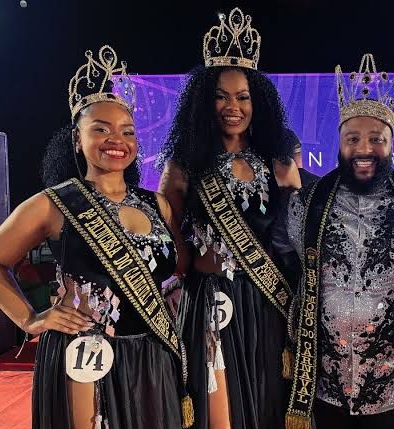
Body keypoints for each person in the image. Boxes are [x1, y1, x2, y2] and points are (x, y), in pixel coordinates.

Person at [0, 45, 192, 429]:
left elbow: (178, 269)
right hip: (84, 355)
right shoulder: (54, 203)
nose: (116, 139)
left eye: (127, 131)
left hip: (151, 354)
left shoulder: (159, 204)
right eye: (100, 128)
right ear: (76, 138)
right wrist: (30, 319)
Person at [284, 53, 394, 429]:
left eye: (376, 139)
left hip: (393, 385)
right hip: (326, 385)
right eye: (353, 138)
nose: (364, 149)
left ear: (391, 143)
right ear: (339, 142)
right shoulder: (306, 204)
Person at [158, 7, 300, 429]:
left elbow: (295, 242)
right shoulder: (182, 168)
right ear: (204, 101)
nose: (233, 107)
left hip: (266, 303)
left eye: (243, 97)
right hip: (208, 301)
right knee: (217, 408)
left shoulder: (279, 165)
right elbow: (173, 250)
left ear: (259, 103)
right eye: (221, 96)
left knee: (267, 400)